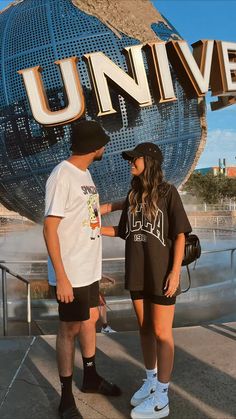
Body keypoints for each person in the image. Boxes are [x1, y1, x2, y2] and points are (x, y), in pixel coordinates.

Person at [101, 142, 192, 419]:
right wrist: (94, 228)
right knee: (144, 329)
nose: (130, 162)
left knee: (163, 333)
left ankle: (162, 396)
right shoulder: (133, 196)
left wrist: (175, 272)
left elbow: (179, 235)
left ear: (148, 161)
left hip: (162, 273)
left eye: (134, 158)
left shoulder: (168, 192)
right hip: (138, 272)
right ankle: (151, 380)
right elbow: (123, 230)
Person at [43, 120, 121, 419]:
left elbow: (88, 213)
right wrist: (61, 278)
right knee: (69, 329)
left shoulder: (85, 174)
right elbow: (50, 228)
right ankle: (65, 398)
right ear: (94, 147)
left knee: (89, 320)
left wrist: (117, 205)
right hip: (71, 273)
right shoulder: (62, 175)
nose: (105, 147)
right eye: (103, 143)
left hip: (87, 270)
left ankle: (90, 378)